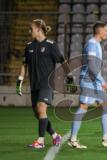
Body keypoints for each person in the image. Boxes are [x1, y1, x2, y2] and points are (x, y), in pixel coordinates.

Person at [16, 19, 74, 149]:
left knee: (41, 108)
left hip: (47, 84)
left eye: (31, 29)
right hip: (34, 85)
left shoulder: (51, 45)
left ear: (38, 29)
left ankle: (40, 141)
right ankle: (55, 135)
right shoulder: (29, 46)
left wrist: (69, 76)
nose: (29, 31)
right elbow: (24, 65)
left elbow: (62, 61)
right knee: (38, 114)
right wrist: (19, 81)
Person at [68, 21, 107, 149]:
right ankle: (73, 139)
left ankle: (106, 139)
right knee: (83, 107)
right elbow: (92, 66)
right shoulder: (92, 45)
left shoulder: (96, 44)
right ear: (100, 31)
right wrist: (102, 81)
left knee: (106, 107)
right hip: (88, 81)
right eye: (106, 30)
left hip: (94, 82)